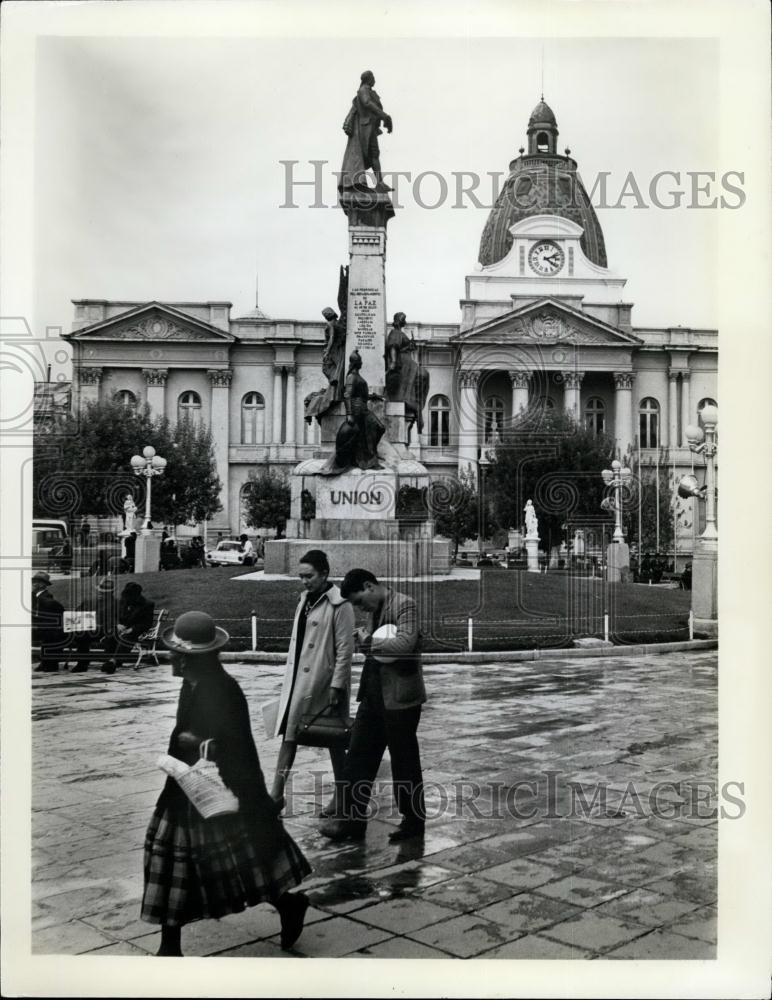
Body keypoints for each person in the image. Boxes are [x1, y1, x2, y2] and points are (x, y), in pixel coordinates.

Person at [141, 611, 311, 957]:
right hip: (189, 785)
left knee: (195, 858)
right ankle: (170, 945)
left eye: (177, 652)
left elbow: (232, 747)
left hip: (218, 788)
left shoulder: (221, 690)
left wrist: (197, 744)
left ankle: (170, 948)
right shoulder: (194, 684)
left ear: (191, 659)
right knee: (215, 858)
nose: (171, 656)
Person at [320, 568, 426, 843]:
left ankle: (413, 821)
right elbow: (376, 650)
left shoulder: (405, 605)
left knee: (404, 761)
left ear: (369, 586)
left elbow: (404, 645)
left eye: (358, 601)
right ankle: (352, 821)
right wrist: (366, 644)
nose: (358, 607)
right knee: (358, 758)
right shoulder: (373, 610)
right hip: (373, 696)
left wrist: (369, 642)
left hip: (401, 698)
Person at [271, 550, 354, 814]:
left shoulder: (341, 604)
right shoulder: (304, 599)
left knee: (334, 740)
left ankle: (342, 797)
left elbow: (345, 649)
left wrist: (336, 686)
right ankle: (276, 794)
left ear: (325, 574)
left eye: (309, 576)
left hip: (323, 681)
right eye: (301, 576)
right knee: (289, 735)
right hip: (298, 680)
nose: (305, 581)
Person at [339, 70, 393, 193]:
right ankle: (376, 182)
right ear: (369, 79)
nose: (374, 80)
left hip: (371, 128)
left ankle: (379, 183)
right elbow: (367, 103)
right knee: (372, 154)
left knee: (375, 154)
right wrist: (384, 116)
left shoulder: (368, 91)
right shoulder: (363, 90)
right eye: (373, 77)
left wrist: (382, 119)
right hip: (365, 128)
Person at [384, 313, 429, 437]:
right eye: (403, 319)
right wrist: (393, 362)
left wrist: (410, 345)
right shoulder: (395, 333)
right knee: (422, 375)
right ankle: (412, 401)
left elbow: (403, 346)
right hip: (402, 363)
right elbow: (393, 347)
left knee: (424, 375)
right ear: (399, 320)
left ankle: (416, 402)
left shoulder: (400, 333)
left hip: (408, 362)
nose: (405, 321)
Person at [72, 576, 122, 673]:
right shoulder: (89, 602)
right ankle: (82, 664)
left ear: (110, 593)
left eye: (103, 591)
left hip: (107, 630)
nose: (100, 592)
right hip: (89, 629)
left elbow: (120, 620)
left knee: (110, 636)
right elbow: (77, 613)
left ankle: (108, 664)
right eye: (99, 590)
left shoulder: (117, 603)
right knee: (80, 636)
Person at [31, 571, 65, 673]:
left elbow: (59, 610)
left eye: (36, 582)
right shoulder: (37, 596)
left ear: (43, 585)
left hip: (49, 628)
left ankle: (48, 663)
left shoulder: (45, 597)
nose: (33, 584)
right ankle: (45, 662)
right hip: (44, 627)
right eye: (33, 581)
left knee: (49, 636)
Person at [117, 581, 155, 652]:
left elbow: (147, 623)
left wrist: (132, 629)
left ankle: (115, 661)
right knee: (111, 636)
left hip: (137, 630)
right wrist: (118, 624)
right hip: (122, 629)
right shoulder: (123, 601)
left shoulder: (147, 605)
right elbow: (116, 616)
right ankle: (108, 659)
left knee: (127, 638)